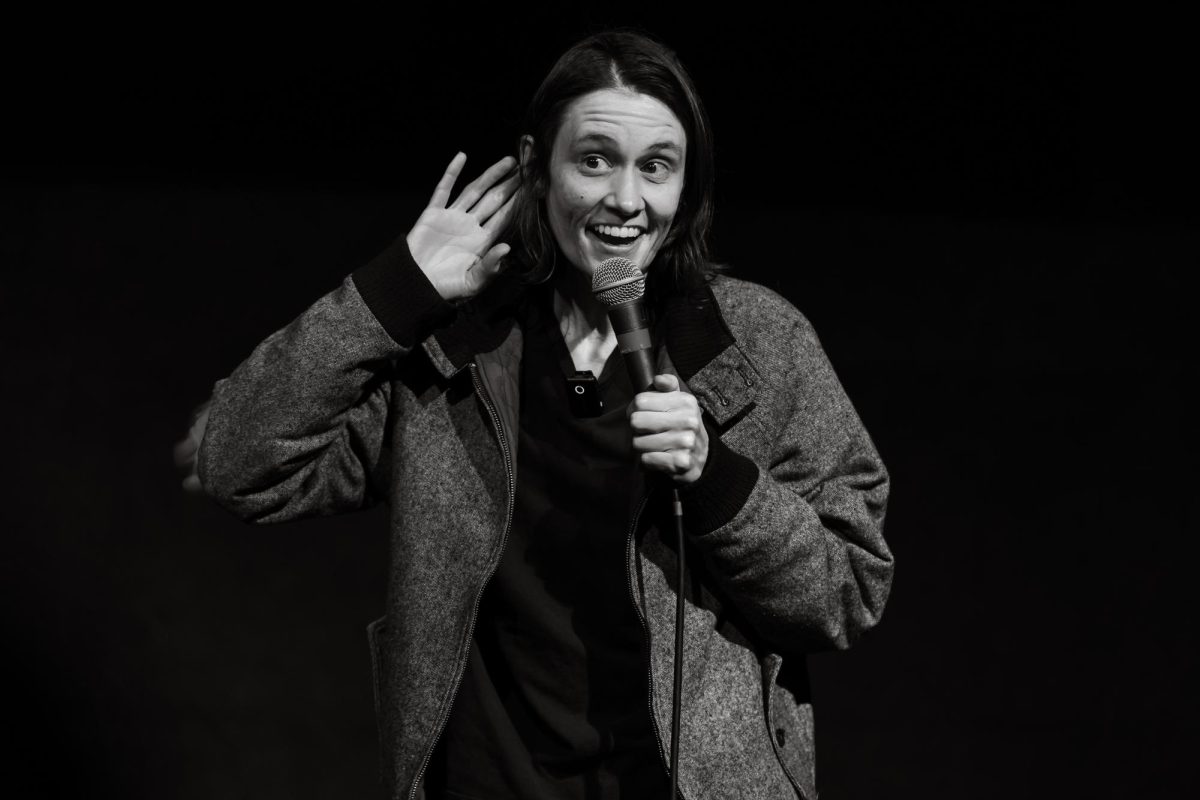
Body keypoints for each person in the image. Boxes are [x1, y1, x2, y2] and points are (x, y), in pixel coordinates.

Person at [183, 30, 893, 800]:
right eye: (594, 160)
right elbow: (237, 462)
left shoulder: (762, 345)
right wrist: (395, 290)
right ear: (535, 167)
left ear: (685, 189)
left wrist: (717, 479)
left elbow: (847, 592)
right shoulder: (459, 353)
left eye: (656, 167)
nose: (626, 198)